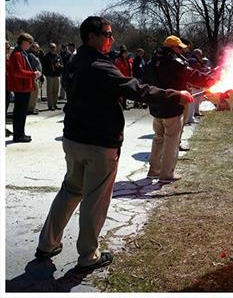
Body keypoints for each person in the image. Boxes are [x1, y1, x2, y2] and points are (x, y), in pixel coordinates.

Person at [36, 17, 193, 272]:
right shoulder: (99, 66)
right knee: (94, 199)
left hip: (74, 139)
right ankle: (89, 256)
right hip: (98, 144)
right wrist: (175, 94)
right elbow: (136, 89)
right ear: (92, 36)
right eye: (107, 34)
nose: (112, 38)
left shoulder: (75, 61)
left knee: (70, 190)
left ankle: (47, 243)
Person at [146, 36, 213, 181]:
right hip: (172, 105)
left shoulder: (152, 61)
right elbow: (191, 75)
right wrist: (210, 81)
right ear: (173, 48)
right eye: (179, 47)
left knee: (158, 138)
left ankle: (154, 170)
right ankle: (167, 174)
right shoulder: (173, 62)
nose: (181, 50)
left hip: (156, 104)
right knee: (172, 140)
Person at [7, 33, 41, 142]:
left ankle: (21, 133)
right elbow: (18, 72)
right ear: (23, 42)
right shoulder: (17, 54)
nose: (30, 45)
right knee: (19, 112)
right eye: (29, 42)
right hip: (20, 87)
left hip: (24, 87)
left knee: (22, 112)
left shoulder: (22, 53)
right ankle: (18, 135)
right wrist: (33, 74)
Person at [41, 42, 64, 110]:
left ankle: (55, 104)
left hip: (56, 76)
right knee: (50, 91)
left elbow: (62, 66)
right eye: (51, 47)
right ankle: (50, 105)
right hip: (49, 76)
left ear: (56, 48)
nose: (52, 49)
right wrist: (45, 74)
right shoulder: (46, 57)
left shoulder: (58, 56)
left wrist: (59, 66)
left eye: (54, 47)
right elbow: (43, 66)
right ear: (49, 48)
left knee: (56, 91)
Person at [114, 45, 133, 110]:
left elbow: (131, 69)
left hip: (128, 78)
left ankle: (124, 105)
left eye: (126, 53)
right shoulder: (118, 61)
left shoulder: (129, 60)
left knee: (126, 93)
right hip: (122, 79)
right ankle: (121, 106)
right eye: (124, 53)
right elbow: (117, 70)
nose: (126, 54)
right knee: (121, 94)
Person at [27, 42, 44, 115]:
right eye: (36, 47)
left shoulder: (35, 55)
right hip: (33, 77)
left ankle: (32, 107)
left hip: (37, 77)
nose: (38, 49)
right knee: (33, 94)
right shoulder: (30, 55)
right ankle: (30, 108)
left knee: (35, 93)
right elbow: (31, 66)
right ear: (32, 47)